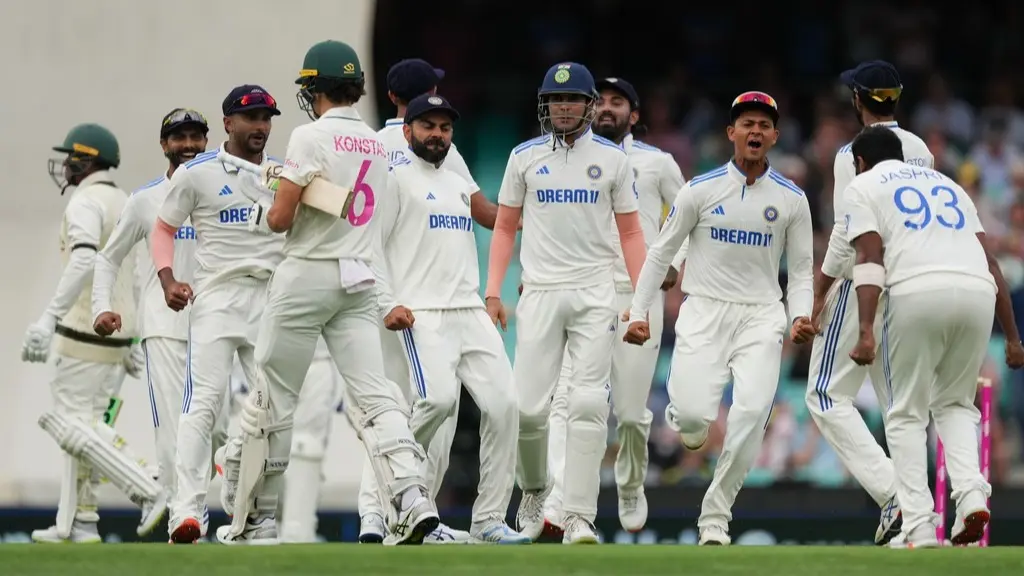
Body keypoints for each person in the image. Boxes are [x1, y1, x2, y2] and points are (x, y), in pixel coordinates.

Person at [216, 40, 437, 546]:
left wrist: (272, 196)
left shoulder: (309, 136)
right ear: (357, 88)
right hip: (358, 277)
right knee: (376, 396)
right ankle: (411, 497)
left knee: (273, 398)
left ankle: (258, 519)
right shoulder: (382, 145)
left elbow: (281, 219)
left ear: (315, 89)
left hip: (307, 275)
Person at [623, 91, 815, 545]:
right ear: (731, 133)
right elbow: (660, 256)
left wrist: (800, 315)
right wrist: (638, 313)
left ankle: (716, 514)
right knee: (691, 418)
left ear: (775, 136)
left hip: (761, 316)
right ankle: (689, 424)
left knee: (750, 414)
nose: (755, 131)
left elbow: (803, 269)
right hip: (703, 309)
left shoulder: (792, 199)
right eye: (746, 123)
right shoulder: (700, 190)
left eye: (764, 125)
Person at [485, 62, 647, 544]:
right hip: (539, 292)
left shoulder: (614, 161)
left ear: (589, 105)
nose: (561, 108)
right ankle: (535, 488)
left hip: (595, 292)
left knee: (588, 402)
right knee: (530, 409)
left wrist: (638, 305)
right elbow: (506, 226)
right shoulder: (524, 157)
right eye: (555, 100)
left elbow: (633, 233)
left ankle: (579, 514)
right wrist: (493, 290)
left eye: (571, 99)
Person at [842, 125, 1024, 548]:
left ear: (860, 162)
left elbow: (870, 258)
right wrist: (1013, 337)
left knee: (905, 412)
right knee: (955, 403)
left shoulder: (863, 185)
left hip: (917, 291)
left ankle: (920, 526)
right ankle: (973, 495)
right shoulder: (949, 185)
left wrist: (866, 329)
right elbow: (991, 262)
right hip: (977, 292)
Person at [375, 93, 528, 544]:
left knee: (504, 406)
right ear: (408, 131)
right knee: (437, 404)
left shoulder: (460, 183)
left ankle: (489, 520)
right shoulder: (395, 179)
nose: (437, 135)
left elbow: (500, 224)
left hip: (469, 311)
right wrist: (387, 303)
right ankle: (403, 502)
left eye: (444, 128)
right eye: (428, 126)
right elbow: (371, 247)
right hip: (422, 314)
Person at [544, 77, 687, 534]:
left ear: (635, 114)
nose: (606, 109)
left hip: (638, 297)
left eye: (617, 102)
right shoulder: (566, 159)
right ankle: (561, 501)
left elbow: (690, 216)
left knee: (628, 413)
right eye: (600, 101)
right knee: (570, 400)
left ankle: (629, 483)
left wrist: (675, 265)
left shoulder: (656, 163)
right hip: (585, 290)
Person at [358, 57, 490, 545]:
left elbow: (351, 216)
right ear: (414, 101)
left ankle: (381, 515)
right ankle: (408, 511)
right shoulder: (438, 147)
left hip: (380, 294)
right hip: (418, 302)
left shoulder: (370, 145)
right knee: (433, 412)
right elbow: (482, 212)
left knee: (392, 410)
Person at [802, 61, 934, 545]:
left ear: (857, 100)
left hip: (866, 285)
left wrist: (818, 294)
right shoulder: (921, 150)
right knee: (897, 406)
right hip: (913, 286)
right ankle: (917, 515)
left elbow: (846, 233)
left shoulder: (851, 152)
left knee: (822, 394)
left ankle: (894, 497)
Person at [150, 85, 286, 544]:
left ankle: (252, 513)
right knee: (202, 406)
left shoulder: (281, 175)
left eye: (267, 119)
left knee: (273, 411)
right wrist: (169, 280)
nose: (261, 127)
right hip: (215, 299)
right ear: (228, 124)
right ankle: (186, 514)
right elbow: (164, 228)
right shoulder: (197, 173)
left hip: (269, 299)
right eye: (251, 119)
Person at [25, 123, 164, 543]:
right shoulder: (125, 200)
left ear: (86, 161)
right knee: (85, 430)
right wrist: (137, 335)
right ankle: (79, 522)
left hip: (84, 330)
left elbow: (84, 261)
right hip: (119, 334)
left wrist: (49, 319)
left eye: (71, 158)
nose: (65, 165)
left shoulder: (86, 202)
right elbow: (138, 272)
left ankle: (148, 486)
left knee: (70, 422)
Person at [91, 108, 208, 536]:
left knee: (223, 427)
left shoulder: (221, 190)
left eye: (197, 137)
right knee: (174, 429)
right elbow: (109, 258)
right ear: (164, 145)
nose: (190, 145)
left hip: (220, 326)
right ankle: (185, 514)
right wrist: (100, 308)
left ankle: (194, 501)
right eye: (181, 138)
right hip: (165, 328)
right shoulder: (146, 199)